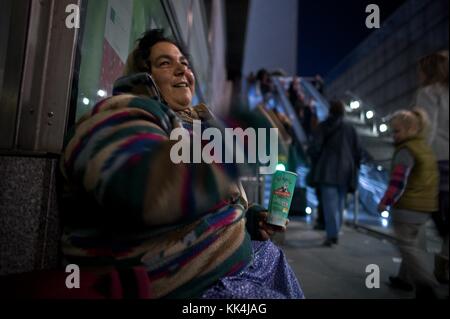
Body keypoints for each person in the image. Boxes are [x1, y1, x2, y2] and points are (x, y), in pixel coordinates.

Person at [59, 29, 303, 299]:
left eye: (185, 64)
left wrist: (251, 218)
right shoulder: (120, 112)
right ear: (143, 76)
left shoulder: (195, 126)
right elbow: (144, 191)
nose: (181, 71)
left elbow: (203, 198)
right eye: (165, 63)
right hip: (192, 284)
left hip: (243, 261)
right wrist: (242, 132)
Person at [377, 108, 440, 298]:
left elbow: (398, 182)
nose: (394, 136)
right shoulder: (424, 148)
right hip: (425, 206)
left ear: (411, 129)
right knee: (413, 244)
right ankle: (404, 279)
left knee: (406, 246)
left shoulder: (406, 150)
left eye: (397, 131)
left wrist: (385, 202)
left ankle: (426, 283)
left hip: (408, 207)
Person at [414, 50, 449, 284]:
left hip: (436, 161)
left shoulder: (429, 93)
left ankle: (417, 275)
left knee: (415, 219)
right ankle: (443, 260)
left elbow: (428, 128)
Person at [307, 100, 362, 246]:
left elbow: (315, 147)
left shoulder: (324, 126)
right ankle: (335, 232)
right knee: (339, 204)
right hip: (346, 171)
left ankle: (332, 235)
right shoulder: (350, 128)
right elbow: (358, 151)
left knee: (329, 205)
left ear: (330, 110)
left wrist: (314, 160)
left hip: (327, 170)